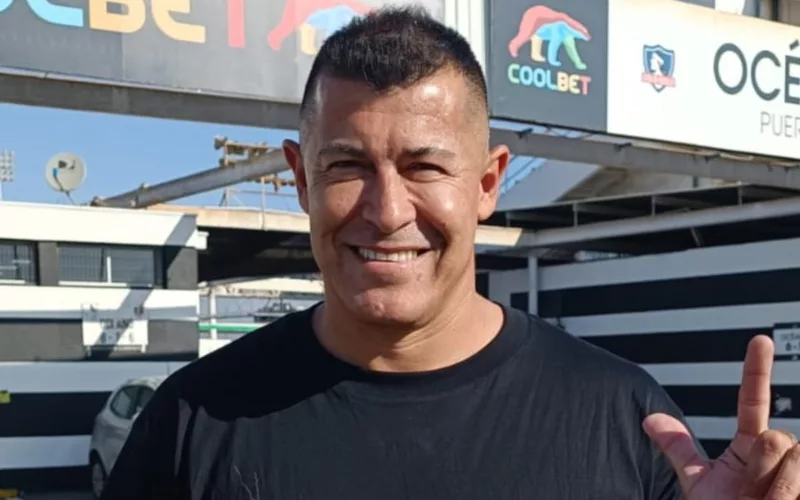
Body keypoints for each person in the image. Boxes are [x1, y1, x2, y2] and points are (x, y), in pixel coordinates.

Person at [100, 7, 800, 499]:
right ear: (301, 178)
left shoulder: (625, 417)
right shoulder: (194, 419)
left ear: (488, 182)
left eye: (425, 167)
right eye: (346, 166)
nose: (387, 211)